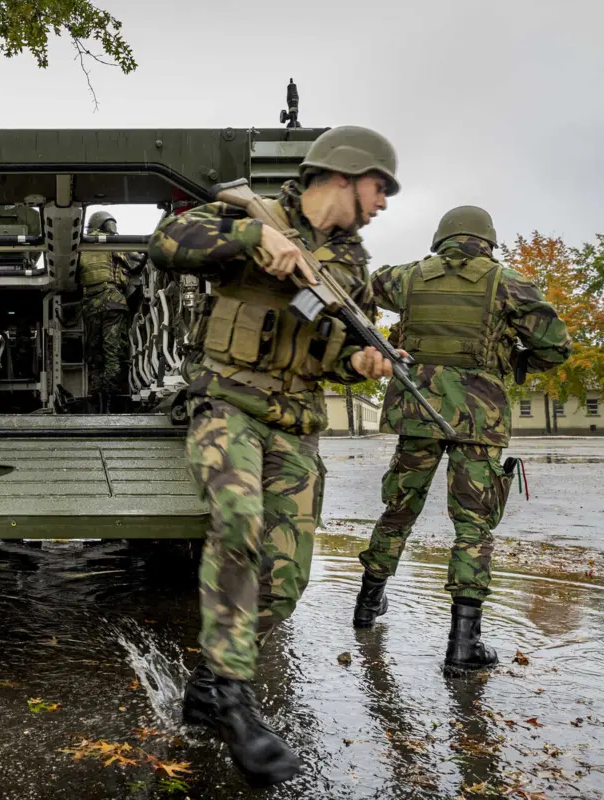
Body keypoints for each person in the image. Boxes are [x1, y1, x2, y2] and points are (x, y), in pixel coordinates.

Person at [148, 126, 400, 788]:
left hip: (295, 422)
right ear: (344, 177)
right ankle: (234, 702)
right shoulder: (250, 215)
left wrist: (362, 362)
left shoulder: (350, 270)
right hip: (226, 404)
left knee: (284, 582)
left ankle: (207, 683)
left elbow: (333, 355)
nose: (383, 204)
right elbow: (167, 244)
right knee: (239, 522)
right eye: (380, 188)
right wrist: (252, 238)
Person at [353, 206, 571, 670]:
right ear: (487, 241)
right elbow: (556, 347)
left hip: (418, 408)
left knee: (398, 510)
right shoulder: (507, 282)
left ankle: (367, 605)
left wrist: (374, 342)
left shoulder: (407, 277)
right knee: (473, 525)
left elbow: (359, 291)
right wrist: (510, 362)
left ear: (441, 239)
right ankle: (462, 644)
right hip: (478, 414)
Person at [78, 210, 141, 412]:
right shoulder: (113, 243)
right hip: (113, 302)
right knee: (113, 355)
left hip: (91, 306)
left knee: (95, 357)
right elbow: (135, 264)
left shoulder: (81, 245)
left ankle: (98, 399)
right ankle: (110, 400)